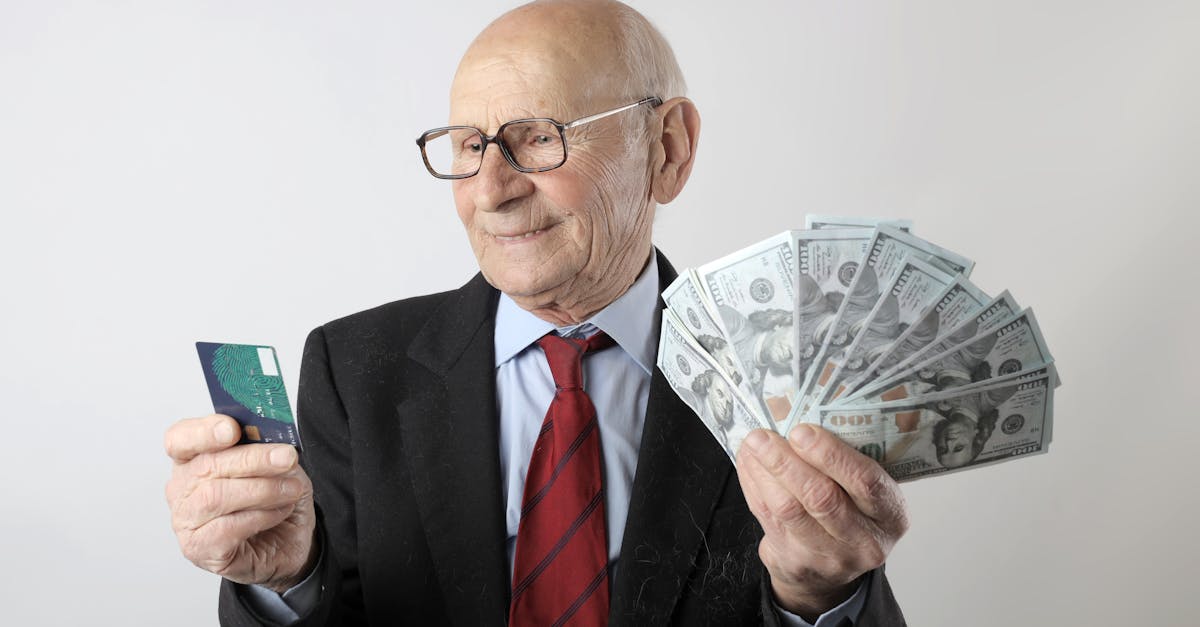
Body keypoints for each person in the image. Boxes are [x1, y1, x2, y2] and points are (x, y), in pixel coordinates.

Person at [163, 1, 910, 625]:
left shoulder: (794, 376)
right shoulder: (354, 371)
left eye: (539, 138)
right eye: (469, 145)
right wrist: (288, 582)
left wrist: (821, 595)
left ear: (668, 149)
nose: (491, 190)